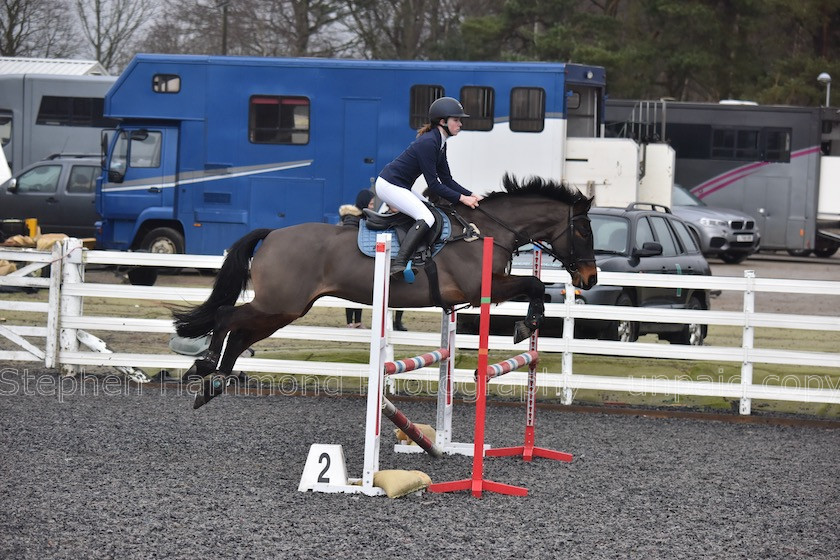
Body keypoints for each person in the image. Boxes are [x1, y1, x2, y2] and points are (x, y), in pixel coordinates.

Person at [376, 96, 482, 277]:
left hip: (400, 186)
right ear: (442, 122)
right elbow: (433, 184)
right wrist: (462, 199)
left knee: (432, 211)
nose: (460, 124)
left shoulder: (440, 143)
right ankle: (398, 264)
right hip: (389, 185)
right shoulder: (429, 143)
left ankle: (417, 254)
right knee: (426, 217)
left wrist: (472, 194)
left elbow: (447, 180)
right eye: (456, 120)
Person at [341, 189, 375, 327]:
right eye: (371, 204)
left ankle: (358, 321)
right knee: (350, 293)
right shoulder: (353, 220)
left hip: (354, 259)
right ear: (364, 203)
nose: (373, 206)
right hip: (350, 260)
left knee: (357, 293)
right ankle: (350, 322)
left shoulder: (362, 218)